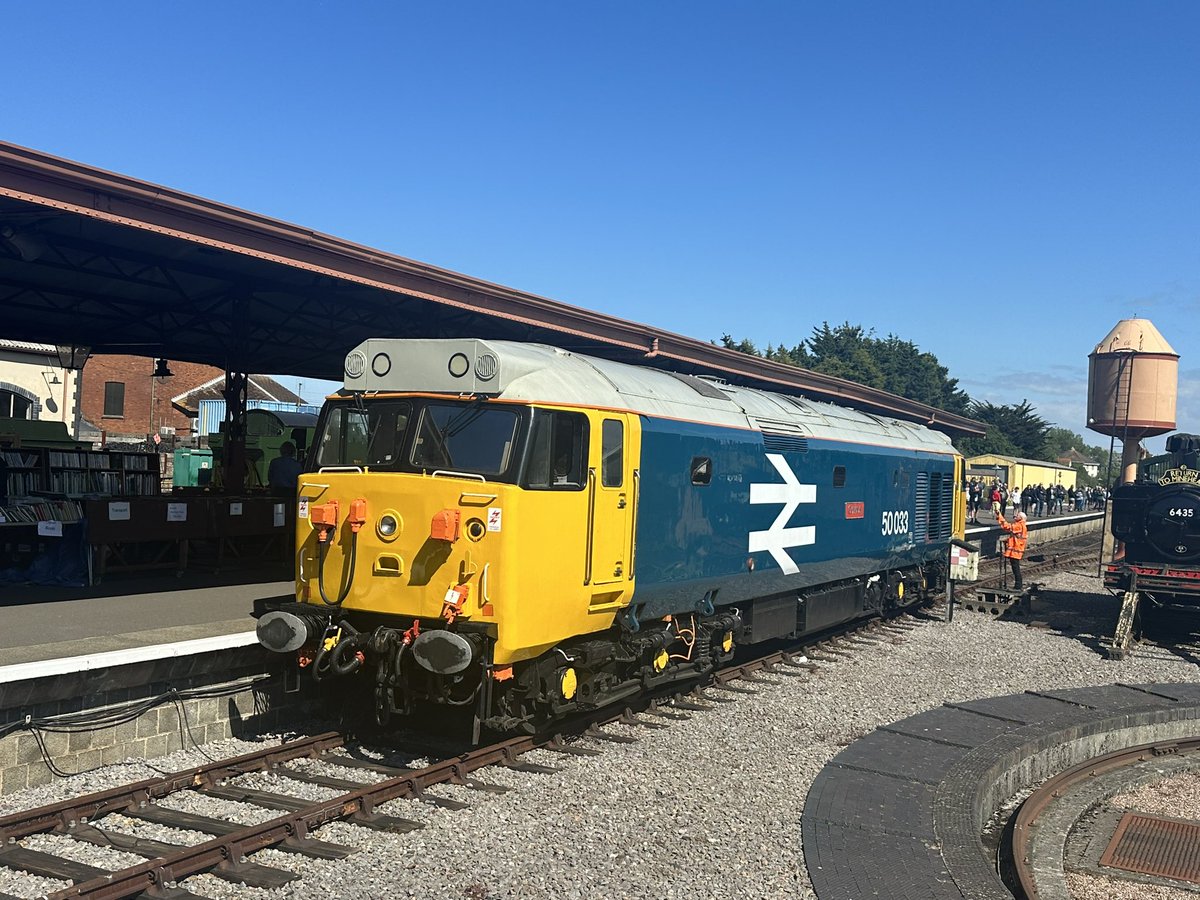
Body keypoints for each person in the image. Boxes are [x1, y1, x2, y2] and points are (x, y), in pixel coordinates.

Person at [996, 510, 1028, 590]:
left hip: (1015, 550)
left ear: (1020, 518)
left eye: (1017, 516)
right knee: (1015, 567)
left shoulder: (1019, 525)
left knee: (1015, 568)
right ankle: (1018, 584)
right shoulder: (1022, 525)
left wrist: (999, 515)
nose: (1015, 516)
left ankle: (1018, 585)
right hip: (1016, 549)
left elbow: (1007, 526)